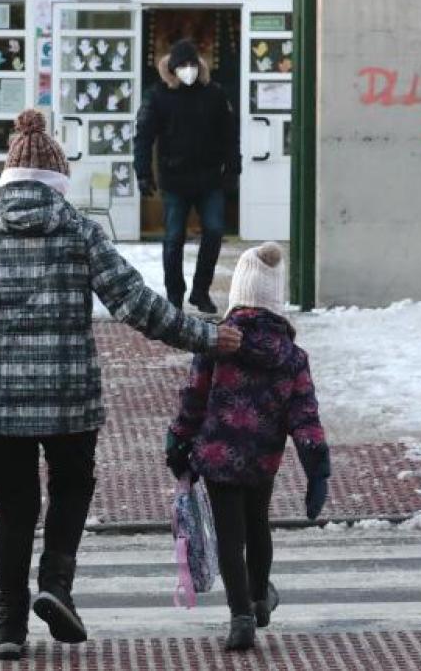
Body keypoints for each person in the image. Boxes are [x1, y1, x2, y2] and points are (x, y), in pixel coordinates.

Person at [0, 109, 243, 661]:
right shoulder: (80, 231)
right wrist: (204, 337)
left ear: (7, 179)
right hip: (70, 398)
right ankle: (56, 580)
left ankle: (8, 624)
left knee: (14, 506)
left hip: (2, 404)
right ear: (58, 182)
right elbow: (135, 303)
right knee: (73, 486)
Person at [165, 243, 330, 652]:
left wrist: (179, 439)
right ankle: (259, 599)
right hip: (263, 459)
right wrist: (317, 468)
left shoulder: (216, 344)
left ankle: (240, 616)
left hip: (217, 457)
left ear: (239, 293)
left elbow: (193, 398)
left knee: (229, 536)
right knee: (258, 526)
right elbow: (304, 416)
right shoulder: (292, 357)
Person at [135, 38, 241, 315]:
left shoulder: (214, 94)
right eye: (182, 65)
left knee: (215, 232)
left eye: (193, 64)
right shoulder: (158, 96)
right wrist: (143, 172)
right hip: (175, 180)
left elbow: (230, 136)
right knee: (173, 239)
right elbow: (143, 136)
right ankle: (174, 295)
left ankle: (200, 291)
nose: (188, 69)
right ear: (172, 68)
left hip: (209, 179)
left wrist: (233, 169)